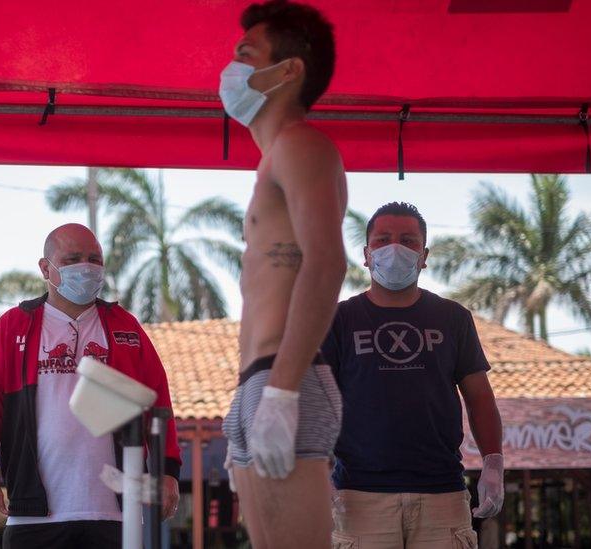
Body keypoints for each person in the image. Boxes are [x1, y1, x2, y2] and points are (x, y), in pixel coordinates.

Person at [0, 223, 182, 549]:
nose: (88, 267)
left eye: (95, 258)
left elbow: (158, 402)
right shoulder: (14, 326)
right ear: (45, 268)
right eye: (73, 258)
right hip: (34, 515)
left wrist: (168, 471)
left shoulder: (125, 326)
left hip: (118, 515)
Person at [218, 2, 347, 548]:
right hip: (259, 381)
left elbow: (326, 263)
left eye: (247, 54)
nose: (232, 68)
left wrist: (283, 393)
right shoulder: (273, 159)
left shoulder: (301, 145)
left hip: (282, 378)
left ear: (288, 70)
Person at [321, 202, 505, 549]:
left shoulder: (453, 318)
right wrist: (315, 471)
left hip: (442, 495)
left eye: (408, 241)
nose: (395, 249)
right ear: (366, 253)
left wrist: (493, 462)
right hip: (360, 496)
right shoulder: (339, 320)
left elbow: (480, 397)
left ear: (424, 255)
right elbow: (318, 401)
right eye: (383, 240)